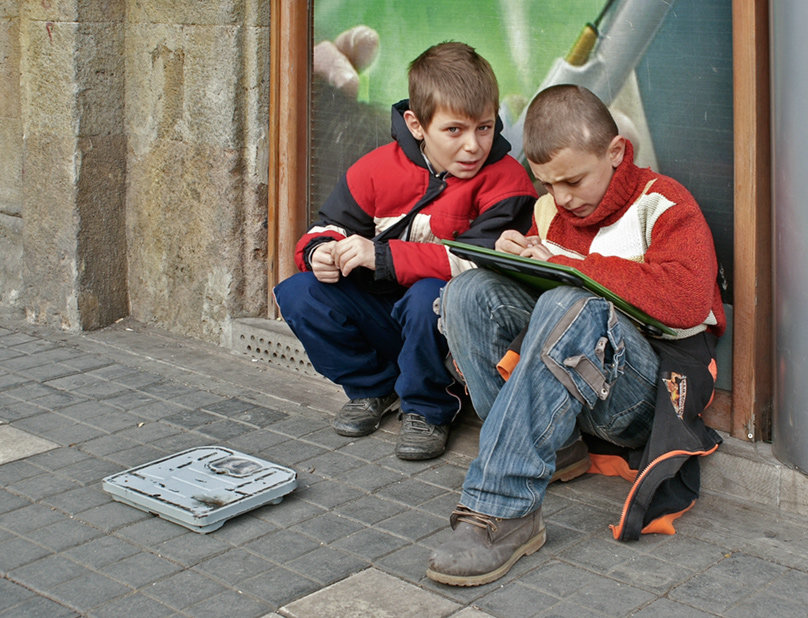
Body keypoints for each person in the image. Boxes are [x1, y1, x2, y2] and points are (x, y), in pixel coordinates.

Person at [428, 84, 726, 586]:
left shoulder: (666, 203)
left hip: (639, 399)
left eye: (572, 180)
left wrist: (572, 263)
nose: (561, 198)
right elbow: (549, 287)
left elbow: (687, 303)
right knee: (468, 293)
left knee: (574, 304)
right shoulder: (557, 212)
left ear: (615, 153)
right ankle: (558, 446)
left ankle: (504, 509)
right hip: (573, 388)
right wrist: (520, 257)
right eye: (546, 185)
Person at [273, 42, 537, 461]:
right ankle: (372, 388)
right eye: (455, 130)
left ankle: (430, 409)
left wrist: (380, 257)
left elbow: (481, 263)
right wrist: (321, 250)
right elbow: (328, 225)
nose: (473, 146)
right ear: (416, 124)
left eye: (484, 128)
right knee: (298, 292)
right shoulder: (376, 168)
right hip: (387, 317)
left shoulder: (508, 181)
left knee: (425, 295)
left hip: (452, 335)